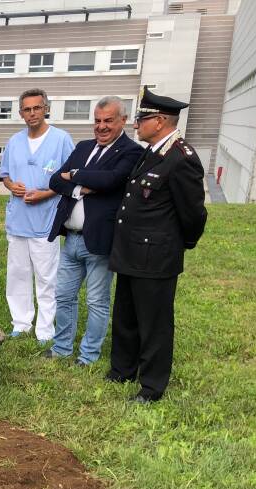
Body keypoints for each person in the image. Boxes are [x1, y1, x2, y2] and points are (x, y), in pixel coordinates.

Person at [107, 87, 207, 402]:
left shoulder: (181, 158)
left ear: (160, 121)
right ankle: (122, 369)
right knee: (126, 314)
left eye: (142, 119)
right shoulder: (153, 152)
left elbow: (193, 214)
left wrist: (180, 244)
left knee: (154, 322)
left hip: (156, 256)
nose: (137, 124)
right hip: (131, 252)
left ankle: (151, 386)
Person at [46, 97, 143, 366]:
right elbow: (55, 179)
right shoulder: (84, 146)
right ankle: (62, 348)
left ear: (123, 120)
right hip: (72, 240)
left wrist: (74, 174)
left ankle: (88, 356)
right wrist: (83, 185)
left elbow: (111, 180)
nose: (101, 126)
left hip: (99, 241)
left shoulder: (131, 151)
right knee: (63, 296)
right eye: (97, 121)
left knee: (97, 301)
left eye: (108, 121)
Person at [0, 89, 74, 342]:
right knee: (17, 276)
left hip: (45, 222)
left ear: (46, 109)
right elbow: (5, 174)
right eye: (27, 109)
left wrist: (47, 193)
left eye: (37, 108)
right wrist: (11, 186)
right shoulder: (14, 142)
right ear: (21, 113)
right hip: (18, 221)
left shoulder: (61, 140)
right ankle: (21, 323)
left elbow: (71, 178)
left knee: (46, 277)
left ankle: (44, 329)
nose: (32, 113)